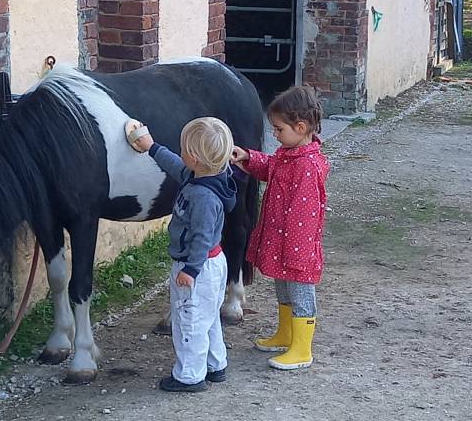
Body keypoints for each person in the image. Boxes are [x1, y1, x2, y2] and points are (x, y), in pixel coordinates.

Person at [125, 116, 238, 392]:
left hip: (196, 266)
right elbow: (176, 165)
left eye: (185, 149)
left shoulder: (203, 197)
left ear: (196, 158)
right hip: (212, 263)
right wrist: (151, 147)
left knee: (189, 321)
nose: (181, 153)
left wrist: (190, 270)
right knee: (208, 318)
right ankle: (215, 364)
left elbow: (200, 237)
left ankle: (189, 376)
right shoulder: (210, 177)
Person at [231, 86, 330, 371]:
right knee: (284, 292)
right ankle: (286, 334)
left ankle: (302, 349)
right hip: (283, 242)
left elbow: (305, 213)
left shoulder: (307, 167)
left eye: (278, 129)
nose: (274, 134)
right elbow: (270, 168)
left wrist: (297, 252)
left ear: (300, 127)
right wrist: (248, 158)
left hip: (296, 248)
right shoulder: (290, 155)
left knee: (301, 296)